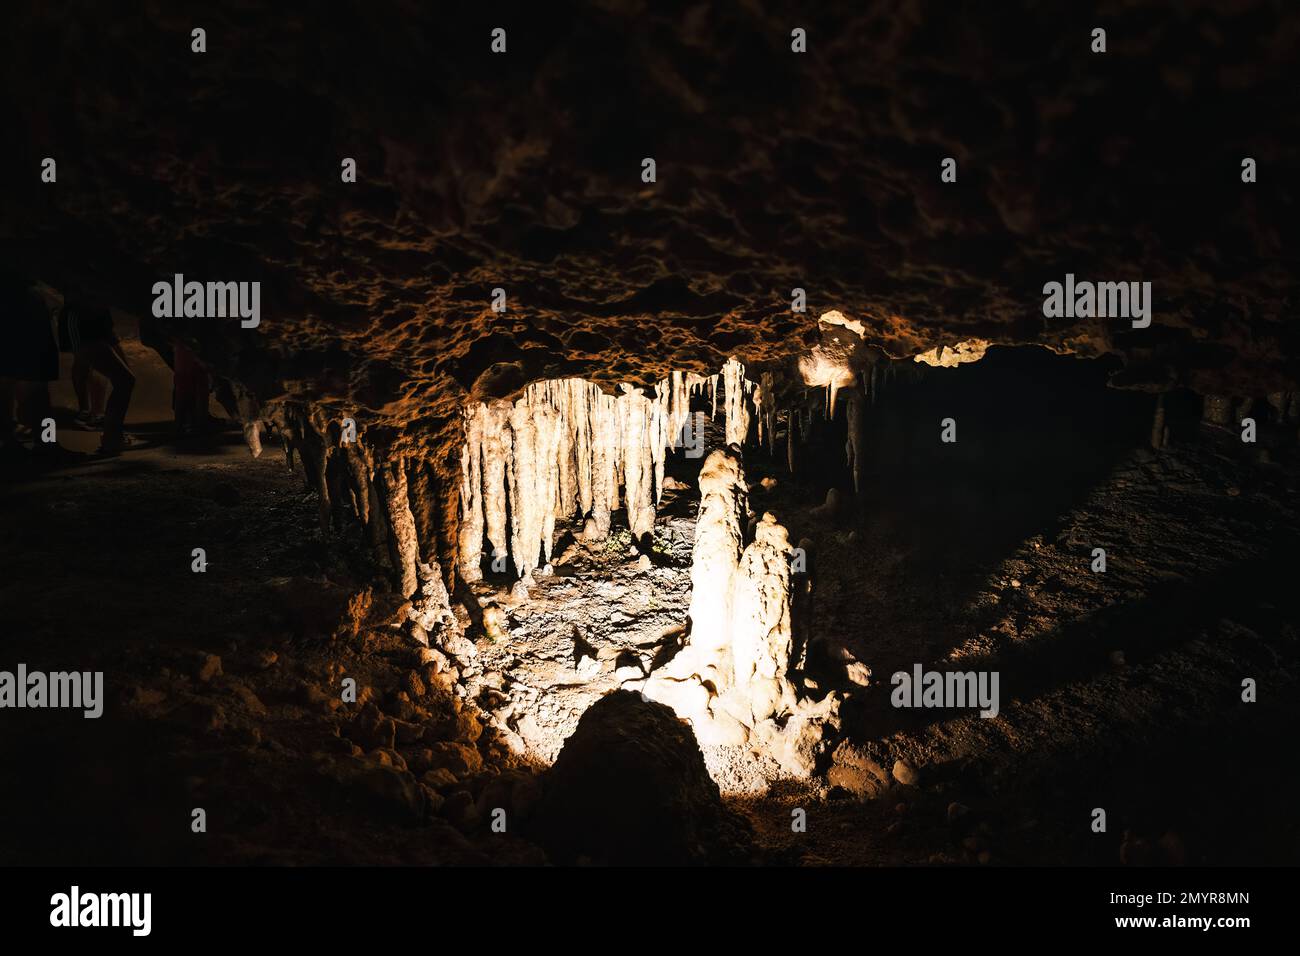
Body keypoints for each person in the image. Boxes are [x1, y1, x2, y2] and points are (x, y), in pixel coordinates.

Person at [57, 297, 135, 454]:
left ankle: (109, 431)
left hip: (97, 322)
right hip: (85, 324)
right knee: (123, 379)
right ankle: (108, 434)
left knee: (125, 379)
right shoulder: (79, 305)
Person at [0, 270, 60, 461]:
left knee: (33, 389)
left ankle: (40, 442)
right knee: (34, 390)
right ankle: (42, 443)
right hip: (24, 314)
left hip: (25, 312)